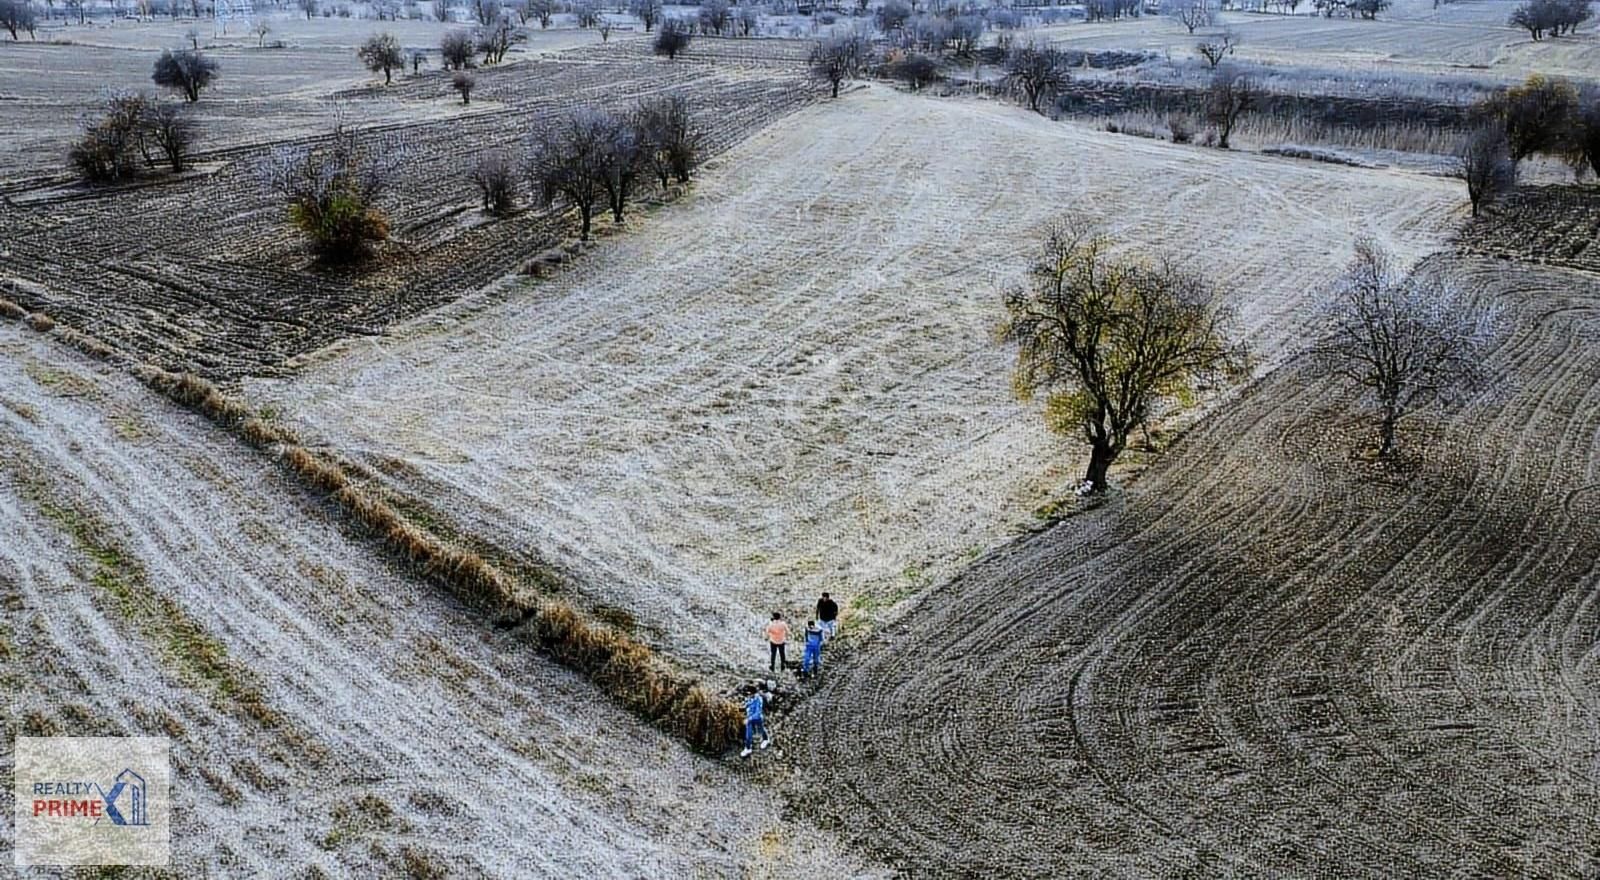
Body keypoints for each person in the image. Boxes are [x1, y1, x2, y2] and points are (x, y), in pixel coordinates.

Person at [740, 684, 770, 758]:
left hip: (757, 718)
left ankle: (766, 740)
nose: (748, 695)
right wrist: (742, 708)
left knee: (761, 730)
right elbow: (747, 704)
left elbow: (758, 713)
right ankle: (748, 748)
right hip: (749, 719)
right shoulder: (750, 698)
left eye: (749, 694)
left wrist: (749, 719)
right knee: (748, 734)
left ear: (753, 693)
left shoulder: (758, 699)